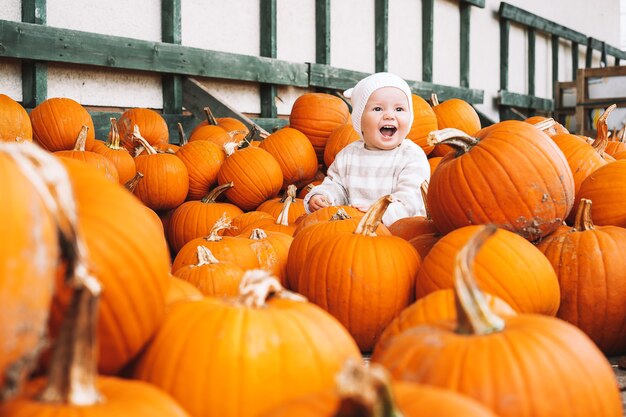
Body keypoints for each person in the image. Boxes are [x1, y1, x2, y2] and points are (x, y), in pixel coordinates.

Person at [303, 72, 430, 226]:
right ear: (359, 119)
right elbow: (336, 186)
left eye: (399, 109)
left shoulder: (411, 155)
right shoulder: (348, 155)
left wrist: (378, 213)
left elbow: (410, 199)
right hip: (355, 232)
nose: (389, 115)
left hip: (400, 233)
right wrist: (322, 196)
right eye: (378, 109)